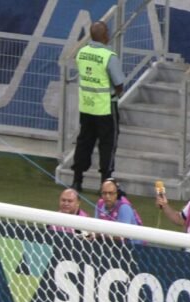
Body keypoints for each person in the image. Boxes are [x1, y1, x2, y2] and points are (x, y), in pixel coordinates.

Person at [70, 21, 124, 192]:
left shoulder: (82, 52)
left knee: (84, 142)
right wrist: (115, 94)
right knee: (108, 145)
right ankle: (106, 184)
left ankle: (77, 180)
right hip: (105, 107)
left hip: (87, 106)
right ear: (104, 35)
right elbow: (119, 83)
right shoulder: (108, 56)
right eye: (107, 31)